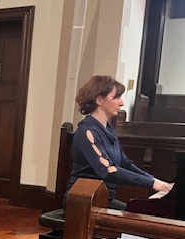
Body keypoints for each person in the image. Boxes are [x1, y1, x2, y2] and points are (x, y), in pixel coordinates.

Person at [65, 75, 173, 210]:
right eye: (116, 97)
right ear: (99, 99)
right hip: (83, 202)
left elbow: (125, 164)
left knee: (143, 214)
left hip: (103, 199)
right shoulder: (87, 131)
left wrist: (156, 181)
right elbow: (108, 170)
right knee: (137, 220)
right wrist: (151, 183)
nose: (121, 103)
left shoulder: (108, 130)